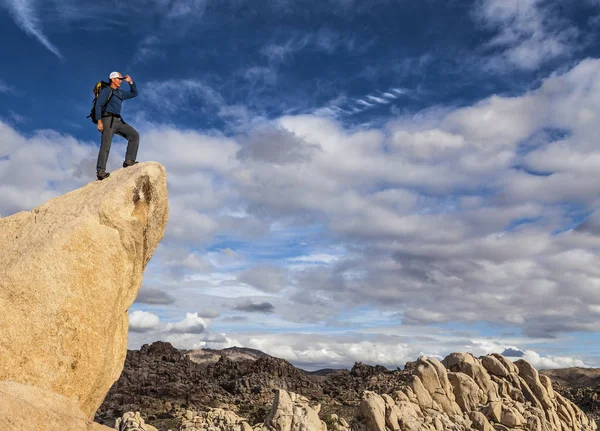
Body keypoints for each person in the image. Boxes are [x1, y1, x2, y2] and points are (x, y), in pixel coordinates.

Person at [95, 71, 140, 180]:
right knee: (106, 145)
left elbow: (134, 93)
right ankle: (101, 171)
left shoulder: (120, 93)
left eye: (121, 79)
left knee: (134, 136)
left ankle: (129, 161)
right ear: (113, 79)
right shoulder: (107, 91)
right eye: (119, 79)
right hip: (108, 120)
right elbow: (98, 104)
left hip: (118, 121)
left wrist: (130, 82)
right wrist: (99, 121)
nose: (121, 81)